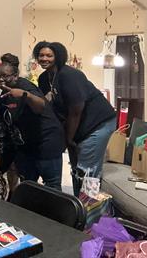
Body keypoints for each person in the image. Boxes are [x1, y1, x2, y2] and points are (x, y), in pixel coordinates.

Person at [34, 41, 116, 195]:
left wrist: (69, 139)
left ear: (58, 57)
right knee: (76, 167)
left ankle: (90, 206)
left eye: (49, 55)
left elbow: (76, 110)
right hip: (76, 126)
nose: (44, 59)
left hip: (97, 123)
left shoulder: (69, 75)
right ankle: (78, 202)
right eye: (41, 55)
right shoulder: (44, 78)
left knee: (87, 170)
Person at [0, 54, 65, 191]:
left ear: (15, 76)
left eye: (5, 76)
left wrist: (25, 95)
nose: (1, 79)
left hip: (46, 142)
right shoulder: (6, 92)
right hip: (27, 146)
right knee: (27, 185)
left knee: (52, 186)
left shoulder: (24, 86)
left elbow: (40, 106)